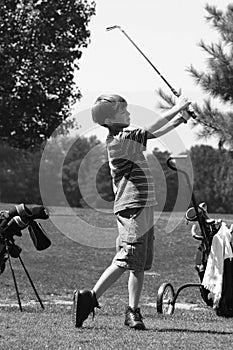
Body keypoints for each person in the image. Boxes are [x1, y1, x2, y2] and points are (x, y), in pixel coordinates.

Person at [73, 93, 191, 329]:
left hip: (144, 205)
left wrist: (181, 119)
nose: (129, 114)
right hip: (132, 206)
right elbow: (150, 129)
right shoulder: (120, 139)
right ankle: (89, 298)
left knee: (138, 262)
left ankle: (132, 312)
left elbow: (154, 133)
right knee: (129, 256)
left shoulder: (128, 138)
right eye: (123, 111)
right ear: (111, 118)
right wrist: (178, 106)